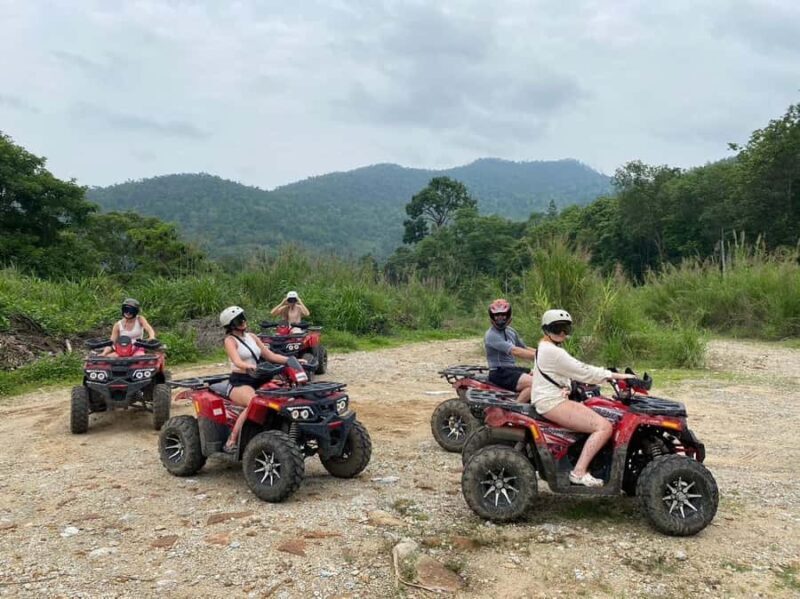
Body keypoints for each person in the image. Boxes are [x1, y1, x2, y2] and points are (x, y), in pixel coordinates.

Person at [532, 309, 634, 487]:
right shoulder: (553, 351)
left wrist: (566, 386)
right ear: (546, 329)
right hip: (551, 402)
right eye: (557, 328)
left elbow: (560, 372)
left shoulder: (545, 346)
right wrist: (615, 376)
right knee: (603, 427)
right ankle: (578, 472)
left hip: (549, 397)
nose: (562, 333)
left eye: (566, 329)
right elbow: (583, 371)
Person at [220, 305, 292, 452]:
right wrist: (248, 366)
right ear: (231, 325)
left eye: (243, 317)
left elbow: (270, 355)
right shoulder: (230, 340)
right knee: (254, 402)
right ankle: (232, 440)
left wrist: (291, 360)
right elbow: (236, 361)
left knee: (285, 395)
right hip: (241, 381)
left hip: (259, 377)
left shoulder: (252, 337)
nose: (243, 321)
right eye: (238, 320)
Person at [484, 299, 537, 404]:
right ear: (492, 317)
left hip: (511, 369)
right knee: (535, 383)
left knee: (542, 377)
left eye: (503, 315)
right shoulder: (491, 335)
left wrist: (545, 352)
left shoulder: (511, 331)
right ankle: (516, 407)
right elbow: (515, 351)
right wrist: (540, 356)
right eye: (497, 315)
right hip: (499, 372)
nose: (500, 318)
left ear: (508, 316)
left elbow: (524, 348)